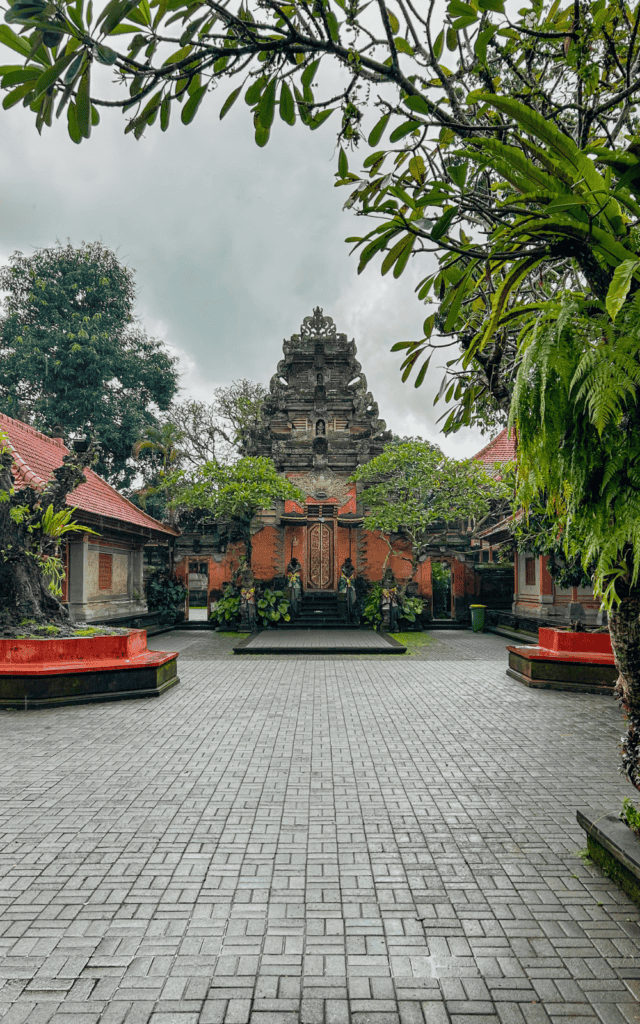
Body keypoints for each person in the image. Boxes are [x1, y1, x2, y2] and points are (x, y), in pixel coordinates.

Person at [339, 557, 358, 623]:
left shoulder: (351, 568)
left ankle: (351, 615)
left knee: (352, 600)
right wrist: (346, 579)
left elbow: (352, 576)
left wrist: (349, 580)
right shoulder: (343, 567)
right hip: (345, 587)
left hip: (350, 587)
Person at [381, 567, 400, 632]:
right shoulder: (384, 582)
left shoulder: (393, 582)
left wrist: (392, 591)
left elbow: (396, 591)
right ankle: (387, 625)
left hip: (393, 599)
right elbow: (383, 590)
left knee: (394, 613)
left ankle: (393, 626)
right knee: (386, 612)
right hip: (386, 599)